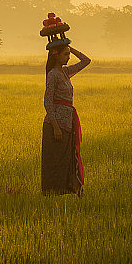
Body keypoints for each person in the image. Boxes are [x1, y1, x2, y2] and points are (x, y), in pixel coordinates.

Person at [41, 44, 91, 195]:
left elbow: (86, 61)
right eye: (65, 54)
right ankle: (51, 192)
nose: (68, 57)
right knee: (55, 160)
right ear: (56, 56)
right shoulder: (53, 74)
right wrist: (55, 127)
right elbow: (48, 101)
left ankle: (69, 189)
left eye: (69, 54)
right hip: (55, 124)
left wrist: (69, 46)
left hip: (68, 123)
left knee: (68, 158)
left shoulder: (66, 71)